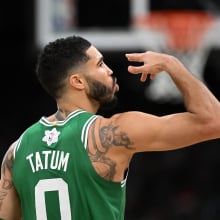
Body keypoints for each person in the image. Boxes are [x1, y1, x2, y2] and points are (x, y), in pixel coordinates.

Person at [0, 35, 220, 220]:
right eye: (100, 64)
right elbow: (213, 121)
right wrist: (173, 64)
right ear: (78, 82)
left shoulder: (15, 152)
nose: (110, 70)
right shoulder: (108, 134)